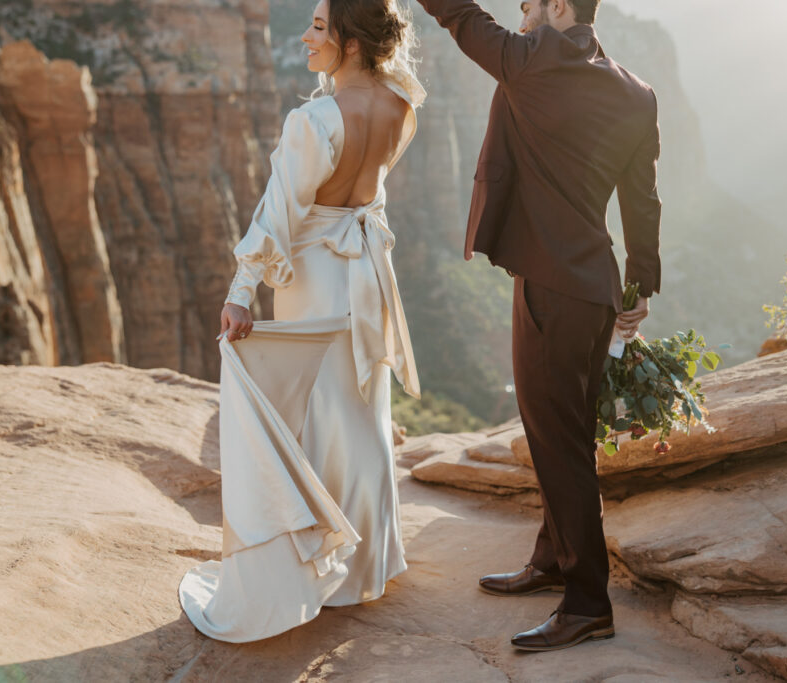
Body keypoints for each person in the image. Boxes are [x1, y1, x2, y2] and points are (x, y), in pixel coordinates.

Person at [414, 0, 661, 652]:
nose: (518, 9)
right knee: (562, 427)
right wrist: (639, 287)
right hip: (594, 288)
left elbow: (460, 17)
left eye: (528, 1)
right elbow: (642, 201)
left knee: (559, 440)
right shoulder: (636, 91)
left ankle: (588, 603)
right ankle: (553, 557)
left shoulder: (532, 61)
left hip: (552, 290)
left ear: (557, 8)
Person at [178, 0, 425, 643]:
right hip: (365, 273)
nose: (307, 37)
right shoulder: (404, 107)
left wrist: (240, 292)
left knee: (313, 412)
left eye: (319, 27)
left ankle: (315, 567)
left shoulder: (313, 120)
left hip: (316, 275)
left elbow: (278, 213)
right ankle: (366, 563)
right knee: (362, 410)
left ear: (349, 44)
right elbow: (370, 194)